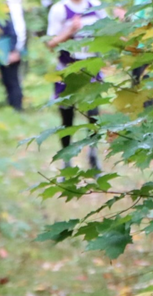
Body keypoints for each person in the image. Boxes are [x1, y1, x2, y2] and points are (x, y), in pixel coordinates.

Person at [46, 0, 108, 170]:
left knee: (94, 115)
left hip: (91, 69)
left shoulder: (95, 5)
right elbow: (50, 44)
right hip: (67, 71)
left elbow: (108, 32)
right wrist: (70, 31)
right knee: (67, 117)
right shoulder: (59, 9)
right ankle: (67, 158)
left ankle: (93, 156)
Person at [0, 0, 28, 111]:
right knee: (7, 80)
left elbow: (18, 30)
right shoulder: (0, 7)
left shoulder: (13, 7)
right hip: (2, 49)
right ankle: (12, 107)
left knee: (12, 80)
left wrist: (15, 51)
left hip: (10, 49)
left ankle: (17, 109)